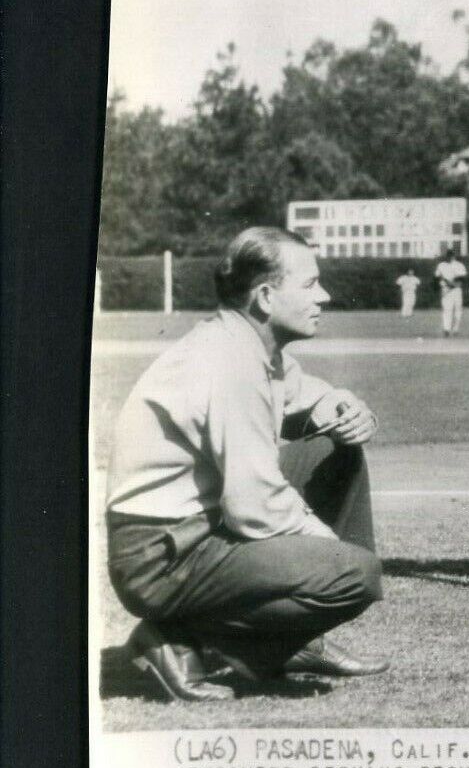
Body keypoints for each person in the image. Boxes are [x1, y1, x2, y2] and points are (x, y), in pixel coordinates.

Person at [105, 226, 387, 701]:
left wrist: (344, 406)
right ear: (265, 297)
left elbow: (303, 395)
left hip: (190, 534)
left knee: (333, 451)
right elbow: (252, 504)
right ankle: (177, 642)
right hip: (161, 555)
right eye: (310, 284)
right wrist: (330, 554)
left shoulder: (249, 344)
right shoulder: (229, 360)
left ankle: (292, 637)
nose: (325, 295)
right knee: (355, 575)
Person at [434, 246, 467, 336]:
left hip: (456, 290)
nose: (450, 257)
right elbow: (437, 277)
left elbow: (461, 278)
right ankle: (446, 329)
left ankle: (455, 328)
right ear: (446, 256)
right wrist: (444, 284)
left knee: (457, 310)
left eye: (451, 255)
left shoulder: (459, 265)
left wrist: (452, 284)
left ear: (454, 255)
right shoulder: (441, 265)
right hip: (446, 290)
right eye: (448, 255)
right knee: (447, 310)